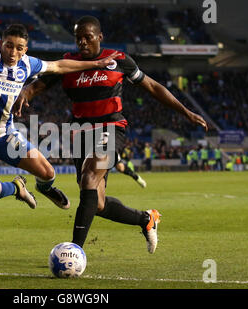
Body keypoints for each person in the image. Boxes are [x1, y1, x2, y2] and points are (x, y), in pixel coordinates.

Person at [15, 16, 208, 253]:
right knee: (97, 203)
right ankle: (146, 219)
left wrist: (186, 111)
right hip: (79, 134)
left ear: (99, 37)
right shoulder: (68, 63)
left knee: (88, 178)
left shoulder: (118, 60)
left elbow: (153, 86)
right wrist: (25, 93)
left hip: (111, 128)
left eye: (87, 37)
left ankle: (75, 251)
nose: (83, 42)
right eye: (78, 38)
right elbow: (36, 86)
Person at [0, 24, 120, 210]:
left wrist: (96, 64)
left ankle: (44, 188)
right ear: (1, 44)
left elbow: (58, 66)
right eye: (9, 46)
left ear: (25, 50)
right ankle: (17, 188)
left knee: (48, 173)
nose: (13, 52)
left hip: (4, 136)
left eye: (19, 48)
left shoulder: (27, 64)